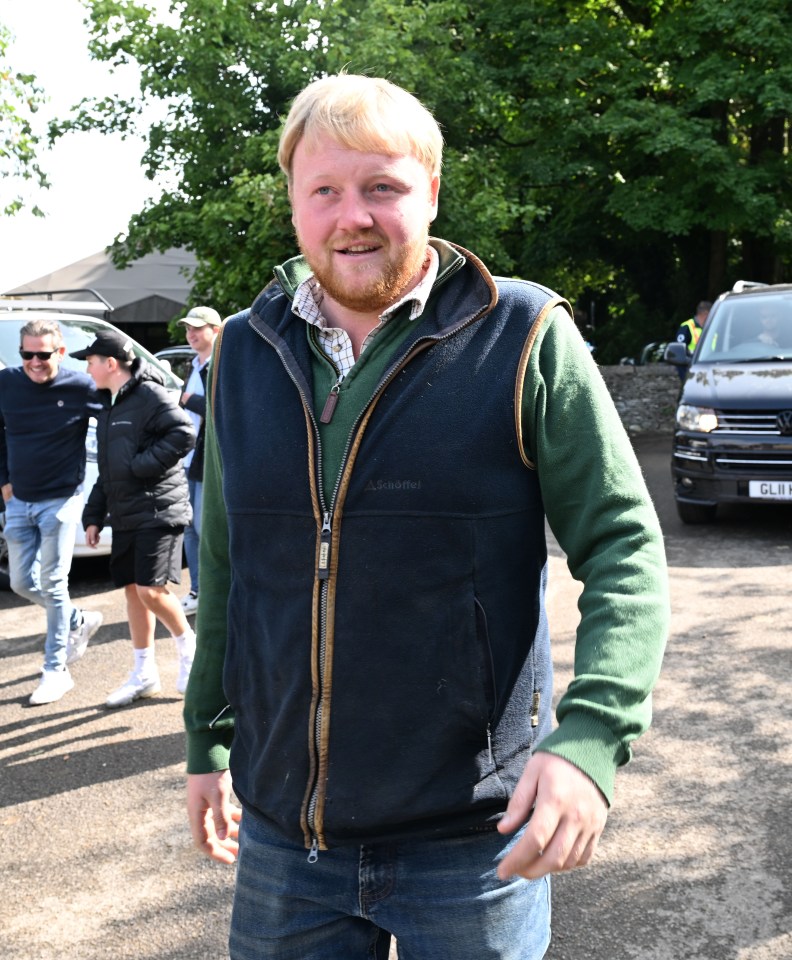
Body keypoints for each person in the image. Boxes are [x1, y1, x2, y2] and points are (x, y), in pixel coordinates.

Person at [184, 75, 670, 960]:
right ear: (293, 201)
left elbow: (624, 545)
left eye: (382, 187)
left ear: (431, 192)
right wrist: (207, 741)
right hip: (287, 840)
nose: (352, 217)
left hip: (473, 842)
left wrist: (593, 737)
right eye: (324, 190)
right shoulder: (244, 356)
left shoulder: (522, 332)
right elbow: (228, 560)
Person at [73, 329, 197, 708]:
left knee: (150, 590)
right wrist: (94, 515)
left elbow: (183, 433)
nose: (88, 370)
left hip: (159, 509)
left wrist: (143, 465)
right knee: (133, 592)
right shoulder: (109, 404)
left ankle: (191, 653)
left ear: (111, 364)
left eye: (91, 362)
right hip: (126, 512)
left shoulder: (150, 394)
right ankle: (144, 674)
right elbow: (111, 469)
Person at [0, 318, 104, 705]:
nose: (34, 362)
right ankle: (78, 620)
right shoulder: (7, 383)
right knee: (21, 584)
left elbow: (113, 416)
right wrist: (5, 484)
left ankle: (56, 670)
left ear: (59, 352)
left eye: (42, 354)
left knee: (54, 583)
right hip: (18, 501)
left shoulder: (80, 386)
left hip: (60, 501)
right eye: (27, 354)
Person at [176, 306, 223, 617]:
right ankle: (197, 589)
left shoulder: (221, 363)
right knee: (190, 530)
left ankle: (214, 595)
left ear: (215, 330)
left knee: (207, 531)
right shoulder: (194, 365)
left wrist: (186, 400)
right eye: (188, 329)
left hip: (209, 462)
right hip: (189, 460)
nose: (191, 334)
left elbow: (221, 407)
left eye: (197, 328)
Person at [674, 300, 711, 381]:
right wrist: (686, 379)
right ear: (706, 313)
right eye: (712, 314)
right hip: (691, 371)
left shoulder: (712, 328)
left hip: (710, 370)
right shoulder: (686, 327)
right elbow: (679, 355)